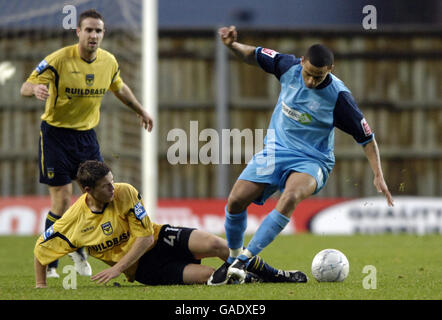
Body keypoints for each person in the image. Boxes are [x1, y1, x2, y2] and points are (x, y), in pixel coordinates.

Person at [209, 26, 395, 285]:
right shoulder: (287, 65)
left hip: (313, 160)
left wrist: (378, 175)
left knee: (291, 195)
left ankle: (245, 259)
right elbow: (253, 55)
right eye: (308, 74)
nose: (311, 81)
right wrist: (232, 46)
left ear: (330, 69)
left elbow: (367, 138)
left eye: (318, 77)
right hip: (274, 152)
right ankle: (233, 259)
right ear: (302, 62)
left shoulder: (340, 99)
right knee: (236, 201)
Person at [21, 9, 153, 279]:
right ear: (78, 32)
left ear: (103, 34)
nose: (94, 35)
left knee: (94, 197)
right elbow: (26, 85)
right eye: (89, 30)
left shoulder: (108, 62)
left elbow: (119, 87)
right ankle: (52, 264)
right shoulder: (58, 60)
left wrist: (140, 109)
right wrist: (35, 89)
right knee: (63, 199)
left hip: (86, 135)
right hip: (55, 135)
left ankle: (80, 250)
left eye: (98, 31)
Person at [33, 160, 308, 288]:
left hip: (159, 237)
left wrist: (115, 269)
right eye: (106, 186)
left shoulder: (125, 191)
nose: (113, 188)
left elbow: (143, 238)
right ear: (87, 190)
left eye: (112, 181)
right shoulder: (73, 221)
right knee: (212, 278)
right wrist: (40, 286)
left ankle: (275, 274)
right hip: (145, 269)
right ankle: (249, 278)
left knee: (218, 244)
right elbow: (41, 250)